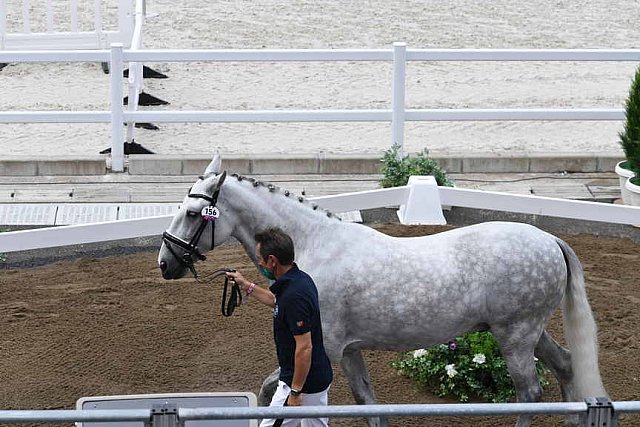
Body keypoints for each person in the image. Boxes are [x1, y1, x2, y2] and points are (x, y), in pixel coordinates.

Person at [227, 227, 333, 427]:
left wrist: (295, 392)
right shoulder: (299, 280)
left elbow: (304, 348)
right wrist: (246, 285)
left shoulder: (294, 296)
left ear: (272, 261)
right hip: (316, 377)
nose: (259, 263)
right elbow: (277, 301)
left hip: (300, 383)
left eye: (260, 258)